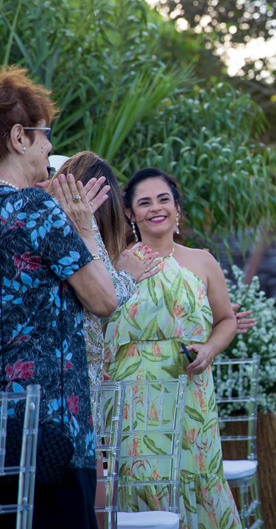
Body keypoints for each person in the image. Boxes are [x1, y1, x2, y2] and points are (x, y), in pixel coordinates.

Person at [0, 66, 120, 529]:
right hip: (44, 434)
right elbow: (104, 301)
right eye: (45, 136)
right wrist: (84, 227)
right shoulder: (36, 206)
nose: (48, 148)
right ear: (19, 137)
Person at [104, 168, 241, 529]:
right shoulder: (118, 262)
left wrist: (209, 349)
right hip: (135, 393)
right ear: (130, 214)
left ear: (177, 206)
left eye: (163, 199)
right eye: (144, 203)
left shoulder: (202, 261)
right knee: (141, 476)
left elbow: (226, 320)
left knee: (197, 473)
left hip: (190, 386)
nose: (156, 208)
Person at [48, 152, 162, 395]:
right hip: (70, 371)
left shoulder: (46, 221)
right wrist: (129, 274)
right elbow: (105, 298)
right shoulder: (83, 226)